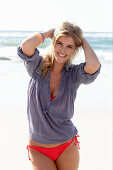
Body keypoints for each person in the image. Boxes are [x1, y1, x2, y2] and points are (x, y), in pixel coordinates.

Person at [17, 21, 101, 170]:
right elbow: (26, 46)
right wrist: (50, 32)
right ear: (53, 43)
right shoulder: (37, 66)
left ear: (75, 49)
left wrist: (82, 39)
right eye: (59, 43)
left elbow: (93, 65)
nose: (63, 50)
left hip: (66, 145)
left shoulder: (74, 75)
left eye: (70, 46)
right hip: (38, 149)